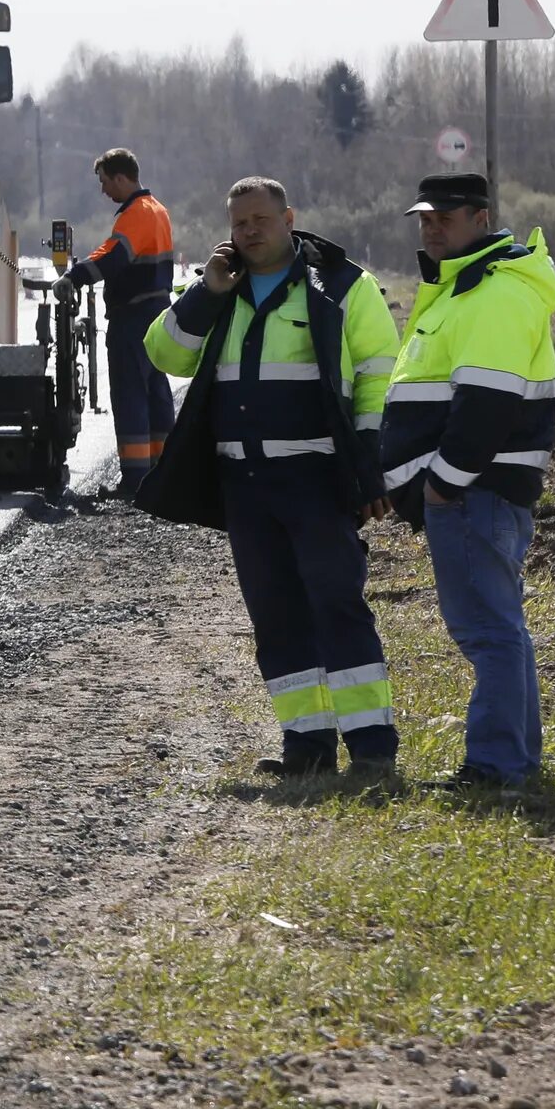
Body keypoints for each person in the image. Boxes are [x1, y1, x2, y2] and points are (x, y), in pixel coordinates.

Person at [143, 177, 404, 779]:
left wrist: (369, 465)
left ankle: (372, 751)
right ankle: (307, 750)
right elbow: (164, 354)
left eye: (260, 219)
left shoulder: (340, 284)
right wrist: (205, 294)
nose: (249, 231)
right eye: (239, 223)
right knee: (276, 616)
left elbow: (377, 373)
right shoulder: (220, 286)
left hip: (316, 478)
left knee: (336, 606)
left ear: (289, 218)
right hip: (246, 484)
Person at [386, 172, 555, 789]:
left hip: (472, 493)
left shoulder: (493, 293)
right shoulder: (466, 290)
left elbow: (487, 406)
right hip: (473, 494)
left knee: (489, 633)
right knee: (501, 630)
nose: (432, 227)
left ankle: (496, 767)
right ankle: (514, 760)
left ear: (481, 219)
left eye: (446, 216)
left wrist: (442, 484)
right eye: (425, 218)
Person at [64, 148, 177, 494]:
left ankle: (134, 480)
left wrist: (75, 276)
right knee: (157, 392)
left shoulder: (136, 213)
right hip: (158, 314)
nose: (103, 191)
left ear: (120, 177)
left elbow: (114, 255)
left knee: (130, 395)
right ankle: (163, 473)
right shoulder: (158, 210)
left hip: (133, 318)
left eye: (104, 182)